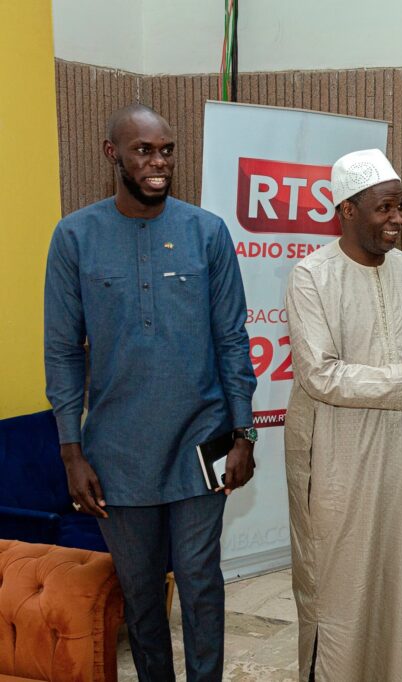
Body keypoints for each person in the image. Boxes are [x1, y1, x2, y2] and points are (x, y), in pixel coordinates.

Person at [44, 104, 257, 681]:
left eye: (166, 150)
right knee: (140, 595)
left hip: (201, 442)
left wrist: (244, 433)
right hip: (117, 453)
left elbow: (232, 340)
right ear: (113, 154)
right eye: (143, 151)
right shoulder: (74, 237)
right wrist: (71, 452)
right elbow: (62, 351)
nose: (158, 162)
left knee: (200, 583)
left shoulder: (207, 233)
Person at [284, 148, 402, 681]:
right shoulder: (311, 276)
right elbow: (320, 375)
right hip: (337, 460)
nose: (398, 218)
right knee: (338, 588)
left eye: (401, 206)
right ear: (346, 209)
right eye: (385, 207)